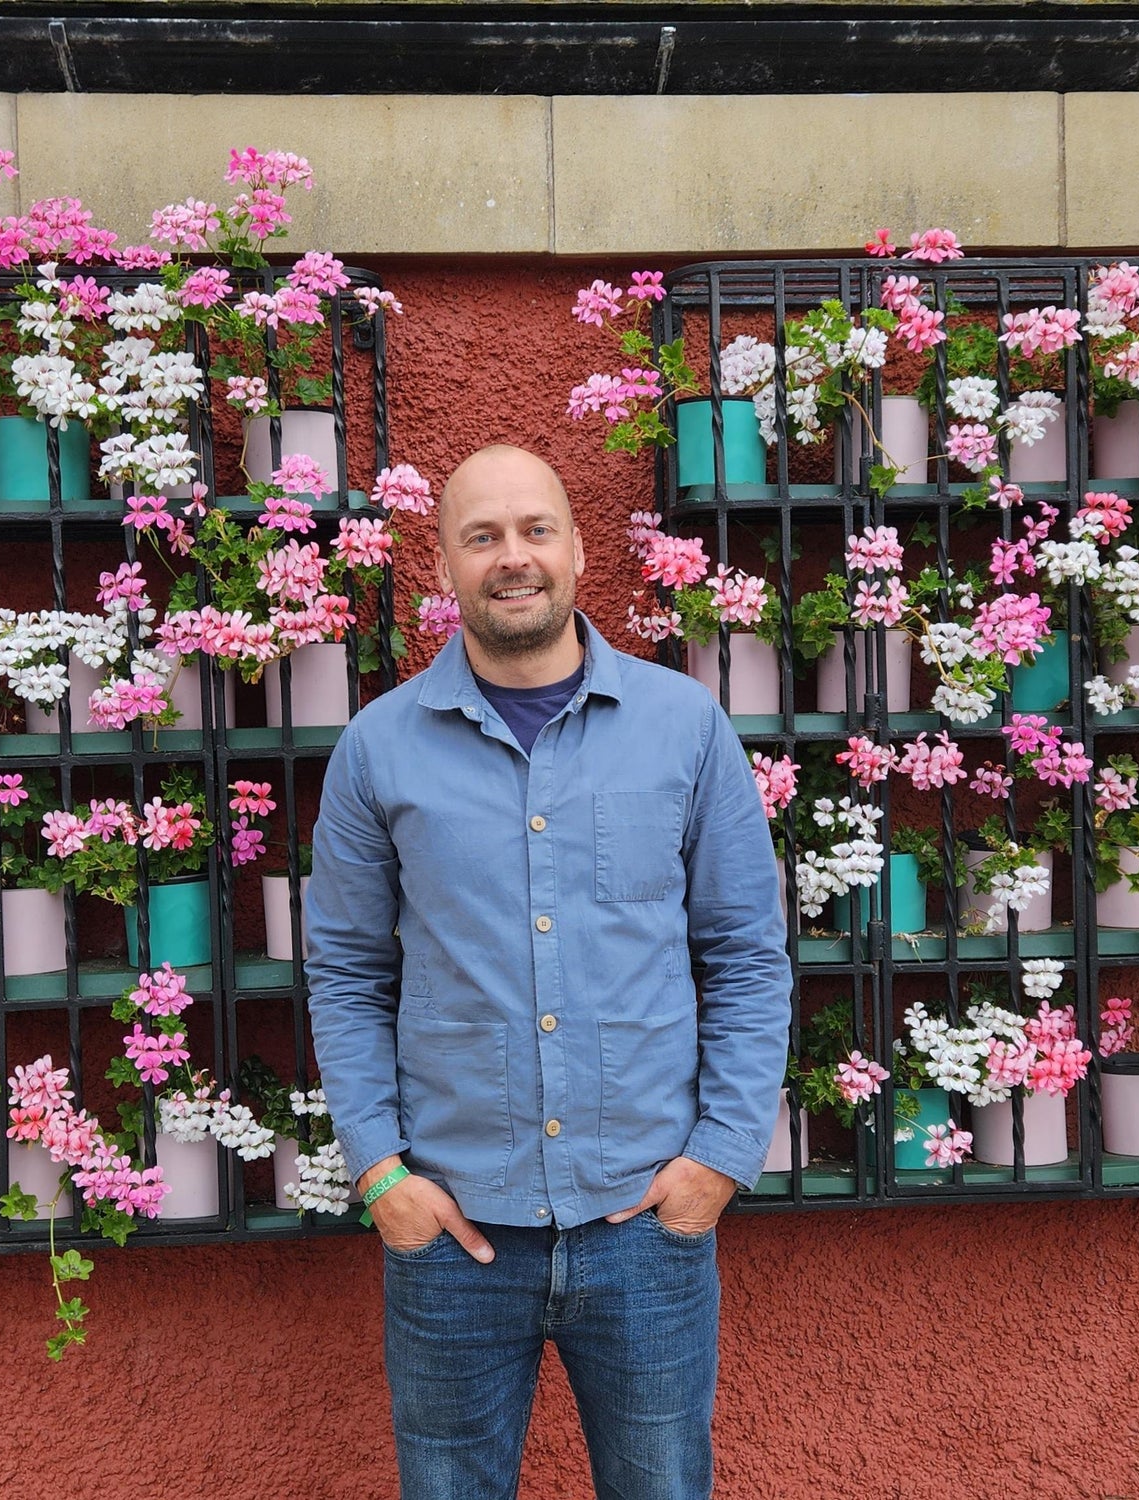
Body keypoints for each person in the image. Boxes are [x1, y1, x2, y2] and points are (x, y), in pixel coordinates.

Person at [304, 443, 792, 1500]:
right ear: (442, 567)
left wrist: (716, 1162)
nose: (511, 557)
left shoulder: (686, 730)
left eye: (534, 530)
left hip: (646, 1231)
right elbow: (345, 974)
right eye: (481, 536)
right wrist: (381, 1175)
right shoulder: (378, 752)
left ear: (576, 550)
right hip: (452, 1240)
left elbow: (746, 956)